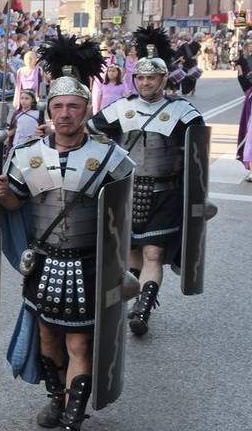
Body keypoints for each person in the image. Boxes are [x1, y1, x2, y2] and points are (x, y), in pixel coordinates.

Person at [0, 36, 134, 431]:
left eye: (73, 106)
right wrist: (0, 191)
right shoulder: (27, 156)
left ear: (86, 109)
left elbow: (121, 217)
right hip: (44, 261)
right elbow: (15, 205)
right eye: (58, 106)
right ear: (48, 111)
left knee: (80, 344)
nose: (65, 113)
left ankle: (73, 423)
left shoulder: (110, 157)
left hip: (89, 264)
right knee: (48, 339)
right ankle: (56, 396)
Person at [87, 27, 205, 337]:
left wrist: (198, 195)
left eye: (151, 78)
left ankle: (142, 308)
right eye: (140, 78)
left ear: (164, 79)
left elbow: (198, 153)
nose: (145, 83)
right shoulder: (122, 108)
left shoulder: (182, 111)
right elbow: (90, 133)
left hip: (165, 192)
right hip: (127, 190)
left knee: (154, 252)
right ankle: (129, 300)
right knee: (132, 254)